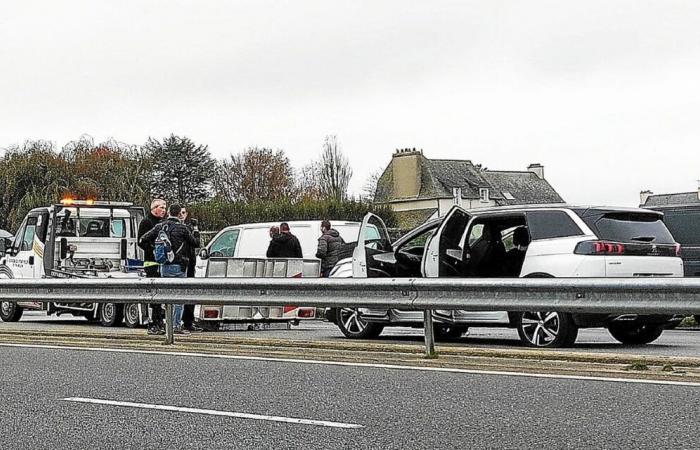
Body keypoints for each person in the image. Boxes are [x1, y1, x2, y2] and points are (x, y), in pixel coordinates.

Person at [140, 203, 200, 334]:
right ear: (179, 214)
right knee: (178, 298)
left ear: (168, 212)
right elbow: (196, 243)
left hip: (163, 265)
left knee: (166, 297)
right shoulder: (182, 228)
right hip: (179, 266)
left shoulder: (160, 226)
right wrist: (195, 229)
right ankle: (175, 325)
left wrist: (154, 252)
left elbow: (142, 239)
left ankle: (167, 325)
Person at [137, 198, 167, 335]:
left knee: (161, 295)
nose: (164, 210)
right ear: (154, 208)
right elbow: (141, 241)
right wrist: (153, 250)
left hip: (162, 263)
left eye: (165, 208)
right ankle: (153, 323)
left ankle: (160, 321)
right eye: (161, 208)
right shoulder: (147, 222)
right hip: (151, 262)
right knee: (153, 295)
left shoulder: (162, 223)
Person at [179, 206, 203, 332]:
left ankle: (188, 321)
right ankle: (178, 322)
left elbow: (197, 243)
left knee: (190, 293)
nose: (181, 215)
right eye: (179, 213)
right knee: (178, 294)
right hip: (180, 263)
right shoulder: (175, 227)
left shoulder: (189, 228)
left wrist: (195, 229)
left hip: (190, 263)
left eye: (183, 213)